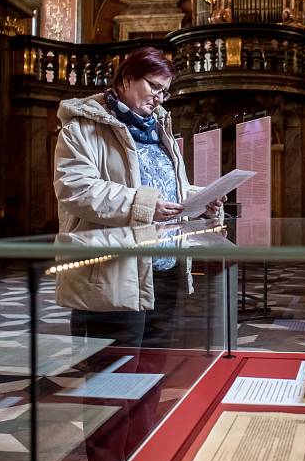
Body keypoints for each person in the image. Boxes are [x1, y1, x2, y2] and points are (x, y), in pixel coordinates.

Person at [54, 46, 224, 323]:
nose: (159, 98)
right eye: (154, 86)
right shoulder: (81, 128)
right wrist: (145, 206)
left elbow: (169, 188)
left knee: (155, 365)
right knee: (116, 364)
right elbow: (76, 190)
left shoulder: (158, 129)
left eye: (164, 91)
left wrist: (199, 200)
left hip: (165, 270)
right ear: (126, 79)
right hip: (114, 273)